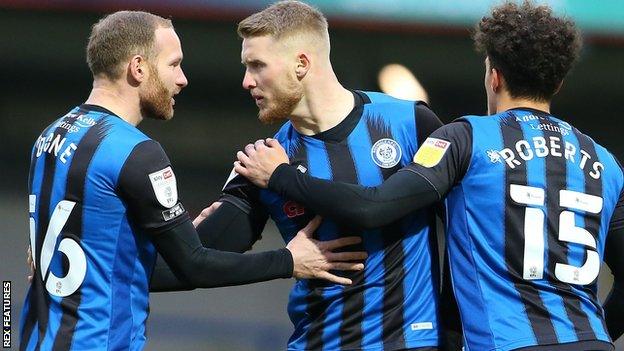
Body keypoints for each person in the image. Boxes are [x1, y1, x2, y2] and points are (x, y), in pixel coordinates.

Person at [235, 2, 624, 351]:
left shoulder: (465, 138)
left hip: (507, 341)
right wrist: (597, 333)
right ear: (558, 82)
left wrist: (282, 176)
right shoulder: (604, 162)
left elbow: (374, 206)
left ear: (493, 76)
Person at [20, 10, 366, 351]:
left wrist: (172, 237)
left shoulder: (51, 136)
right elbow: (194, 266)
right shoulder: (136, 152)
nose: (182, 78)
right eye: (173, 64)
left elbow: (92, 251)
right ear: (138, 68)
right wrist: (289, 260)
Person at [196, 1, 453, 349]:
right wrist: (185, 233)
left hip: (412, 341)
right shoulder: (261, 161)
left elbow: (463, 234)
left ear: (301, 64)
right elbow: (203, 257)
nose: (246, 81)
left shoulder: (409, 123)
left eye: (257, 66)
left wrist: (454, 331)